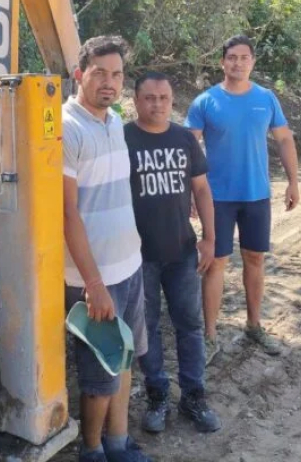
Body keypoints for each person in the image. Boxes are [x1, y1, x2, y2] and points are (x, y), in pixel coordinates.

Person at [63, 35, 152, 462]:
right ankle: (92, 450)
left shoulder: (114, 121)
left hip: (128, 268)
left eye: (117, 75)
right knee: (99, 377)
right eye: (100, 73)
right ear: (80, 74)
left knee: (125, 361)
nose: (109, 83)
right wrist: (94, 284)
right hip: (92, 279)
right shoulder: (66, 128)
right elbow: (68, 215)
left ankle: (119, 443)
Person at [185, 35, 300, 360]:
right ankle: (209, 335)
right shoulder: (205, 101)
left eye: (244, 57)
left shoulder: (266, 98)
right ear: (222, 62)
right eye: (231, 57)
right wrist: (190, 193)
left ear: (253, 62)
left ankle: (254, 325)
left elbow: (285, 140)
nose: (237, 63)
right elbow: (189, 149)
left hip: (256, 196)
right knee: (215, 263)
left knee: (255, 259)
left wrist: (293, 182)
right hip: (216, 198)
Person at [124, 71, 222, 435]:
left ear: (172, 100)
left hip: (181, 251)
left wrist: (210, 239)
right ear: (135, 100)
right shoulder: (122, 138)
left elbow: (202, 191)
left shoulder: (183, 139)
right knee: (145, 329)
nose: (157, 104)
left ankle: (194, 396)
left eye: (164, 98)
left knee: (190, 326)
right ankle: (157, 396)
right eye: (149, 98)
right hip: (137, 255)